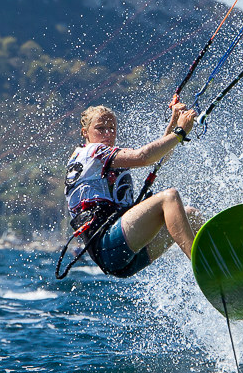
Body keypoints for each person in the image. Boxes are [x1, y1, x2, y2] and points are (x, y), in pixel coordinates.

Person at [63, 98, 200, 278]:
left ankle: (223, 261)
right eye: (100, 128)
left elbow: (157, 157)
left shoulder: (104, 159)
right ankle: (202, 266)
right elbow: (144, 157)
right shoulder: (92, 153)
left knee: (190, 215)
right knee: (169, 197)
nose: (107, 133)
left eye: (112, 128)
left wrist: (174, 123)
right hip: (109, 245)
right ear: (85, 132)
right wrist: (179, 132)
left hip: (126, 256)